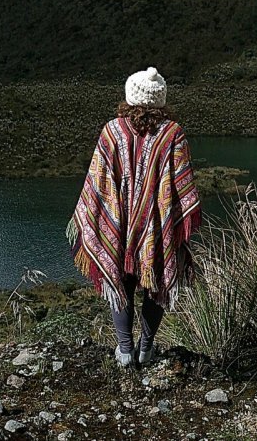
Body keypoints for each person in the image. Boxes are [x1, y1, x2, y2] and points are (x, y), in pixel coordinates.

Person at [69, 67, 202, 367]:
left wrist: (107, 219)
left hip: (118, 221)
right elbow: (183, 186)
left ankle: (125, 350)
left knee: (121, 279)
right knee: (158, 281)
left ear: (130, 96)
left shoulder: (111, 131)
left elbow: (98, 185)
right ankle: (146, 347)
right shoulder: (172, 133)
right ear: (160, 99)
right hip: (157, 224)